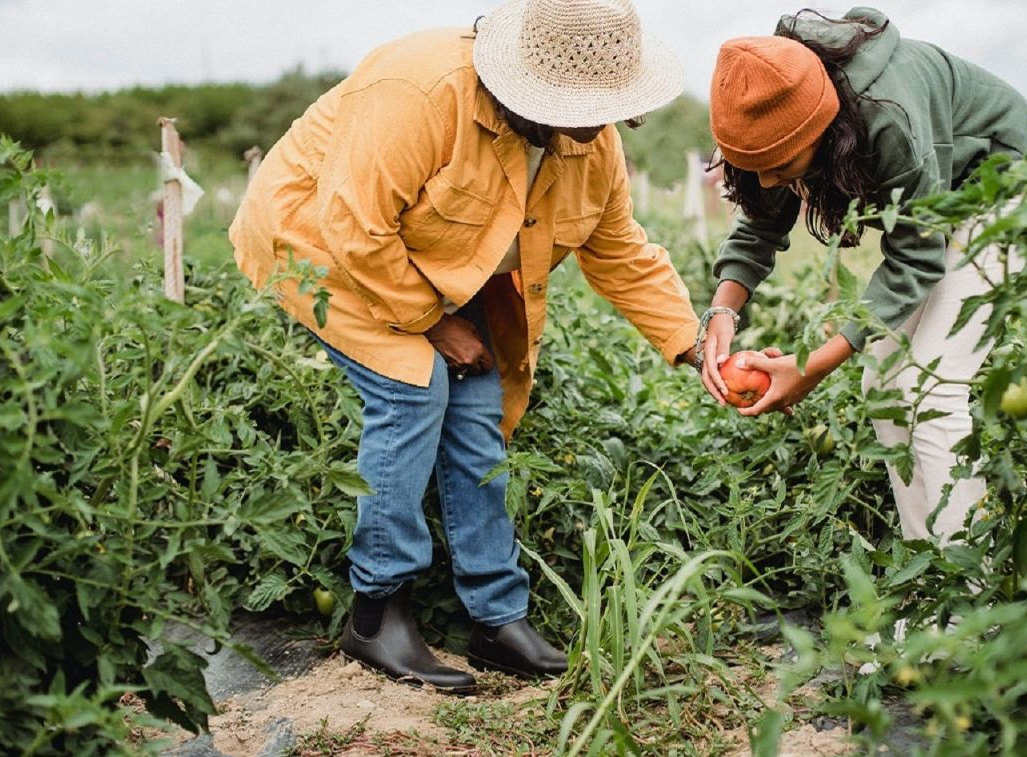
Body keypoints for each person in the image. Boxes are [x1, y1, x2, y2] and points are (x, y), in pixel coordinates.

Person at [229, 0, 701, 694]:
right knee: (413, 385)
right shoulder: (421, 92)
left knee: (478, 408)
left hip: (436, 261)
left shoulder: (589, 140)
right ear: (532, 86)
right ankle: (376, 611)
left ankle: (496, 616)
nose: (601, 124)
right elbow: (354, 227)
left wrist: (693, 346)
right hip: (320, 245)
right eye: (586, 106)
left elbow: (620, 250)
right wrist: (433, 321)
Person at [698, 7, 1027, 543]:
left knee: (931, 386)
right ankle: (925, 578)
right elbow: (759, 227)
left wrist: (809, 367)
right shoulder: (772, 99)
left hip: (1008, 188)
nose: (767, 179)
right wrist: (722, 312)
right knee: (882, 381)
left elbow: (916, 258)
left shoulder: (887, 116)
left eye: (782, 167)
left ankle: (972, 600)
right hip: (947, 204)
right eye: (754, 166)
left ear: (824, 131)